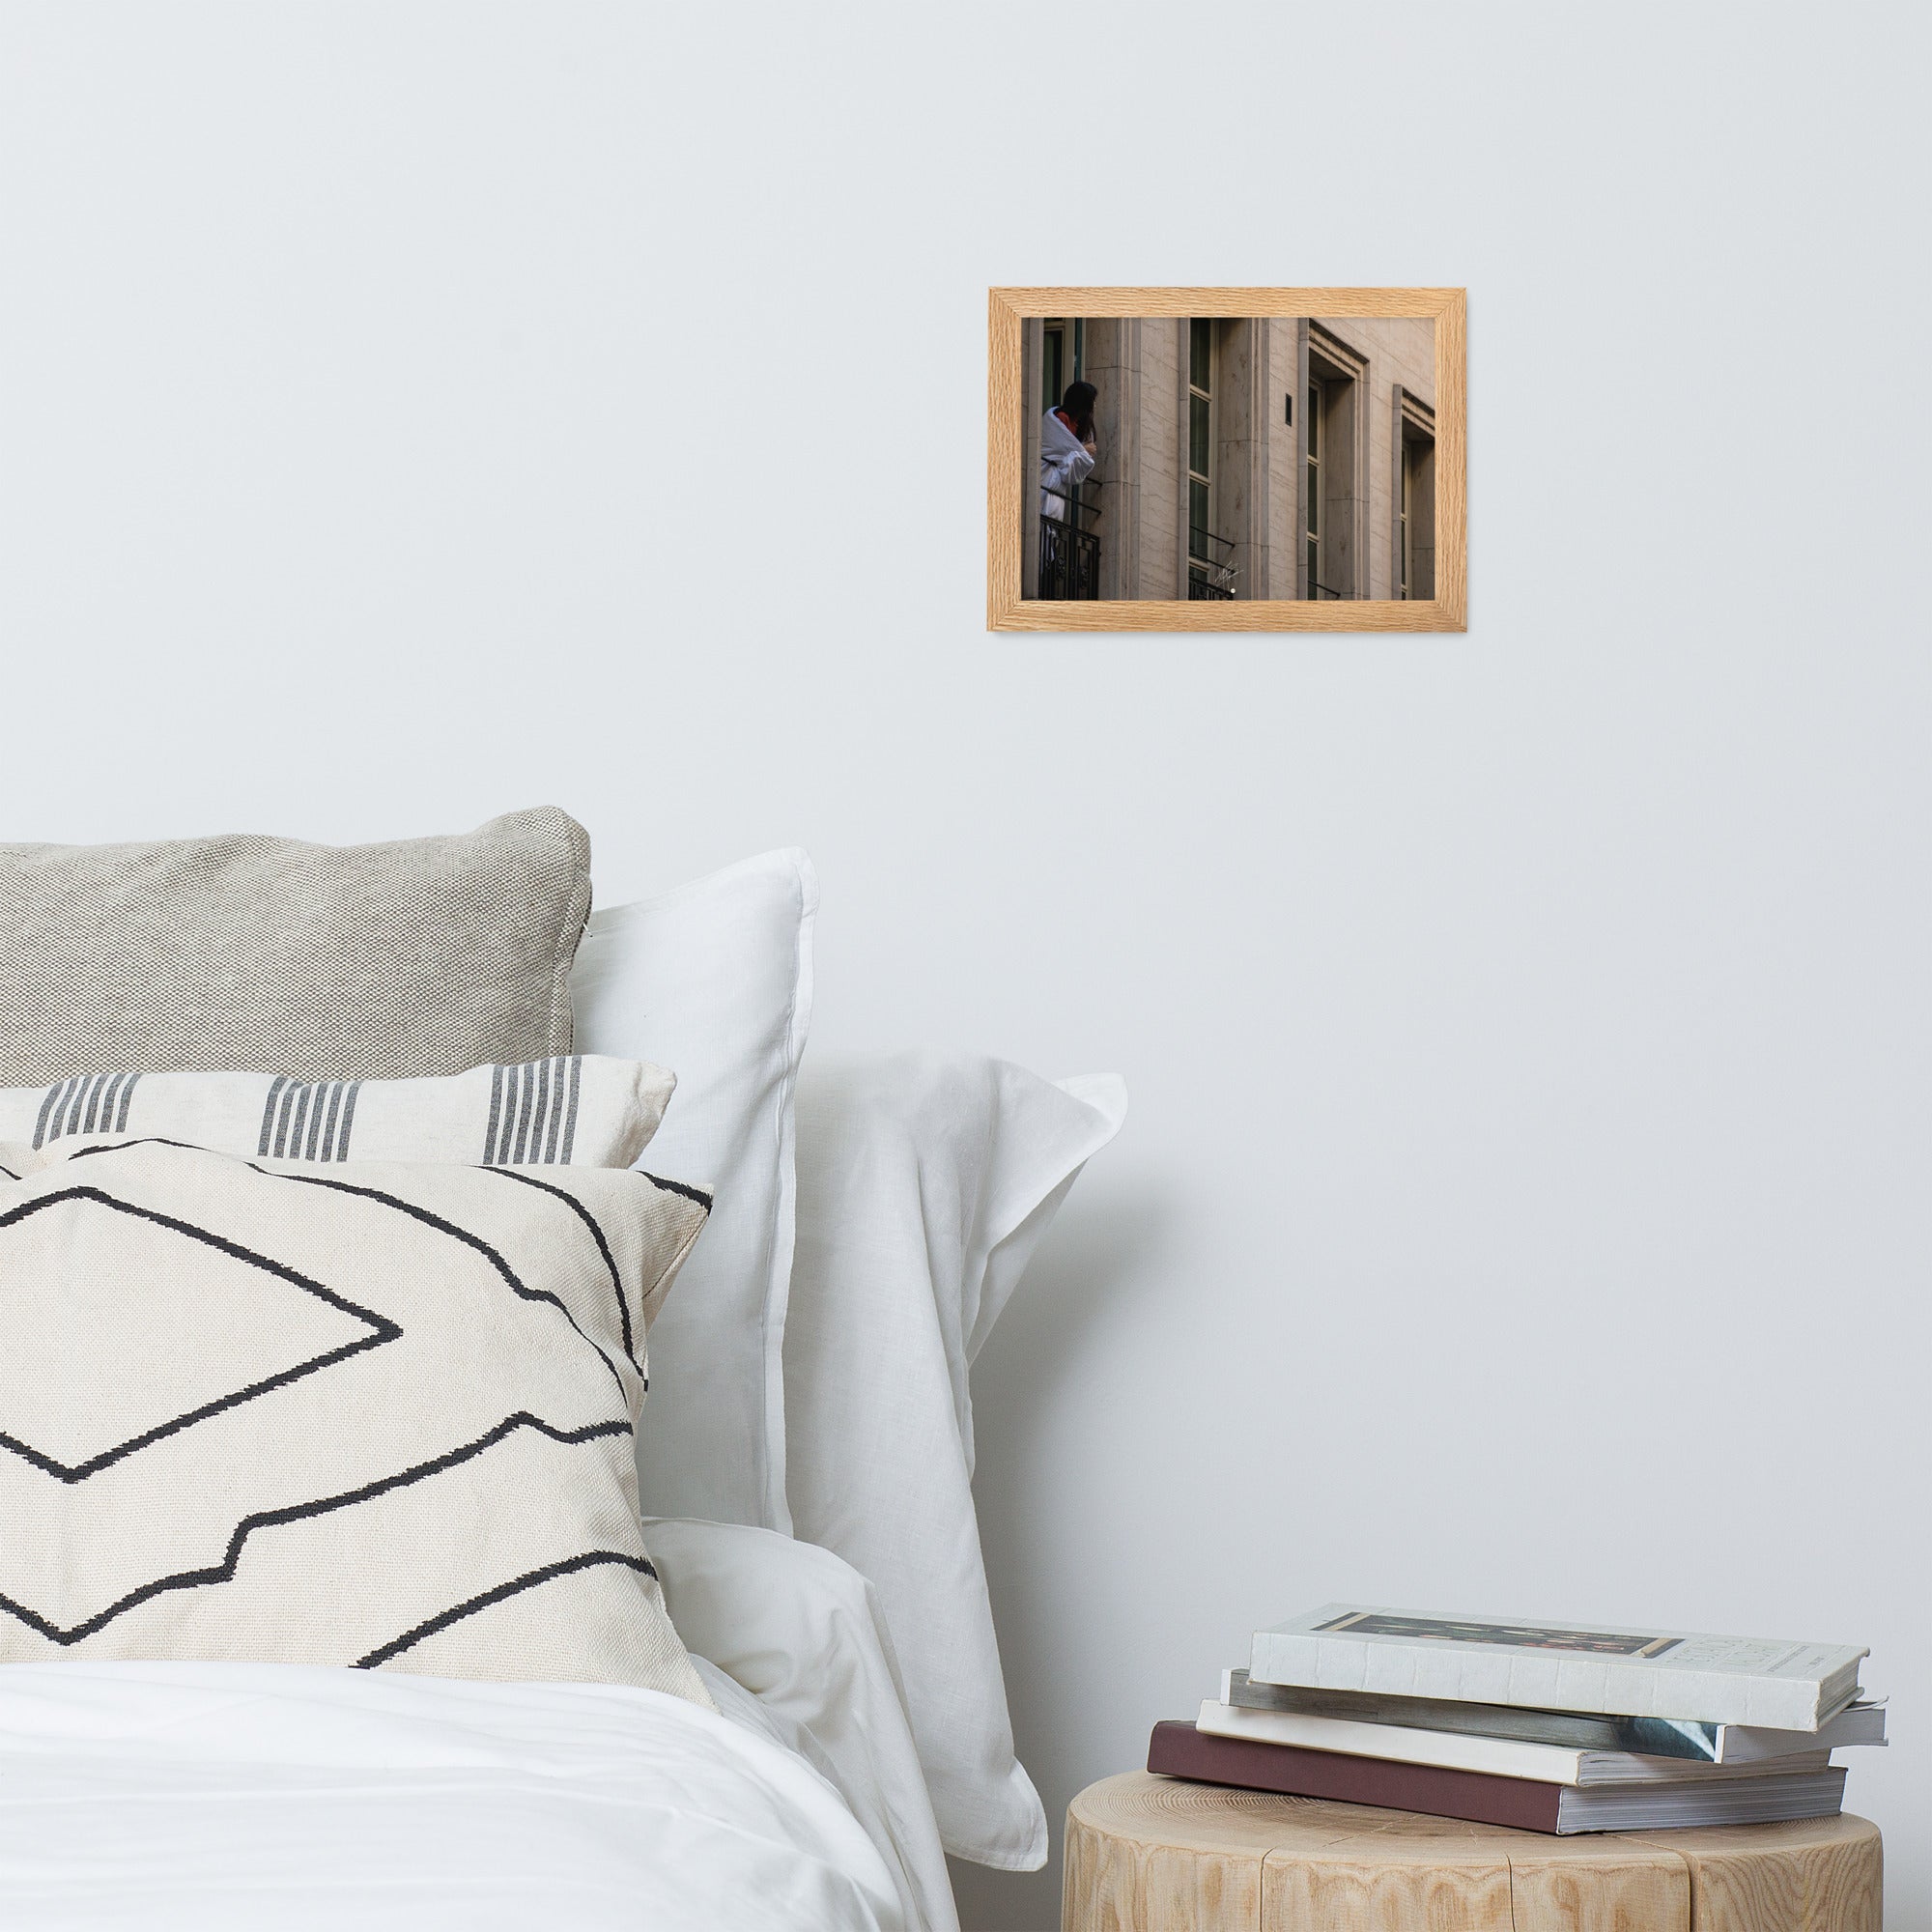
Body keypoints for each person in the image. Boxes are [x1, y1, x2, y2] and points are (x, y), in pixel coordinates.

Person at [1039, 380, 1097, 521]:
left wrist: (1080, 451)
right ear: (1083, 401)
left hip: (1058, 482)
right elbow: (1059, 448)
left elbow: (1069, 451)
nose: (1094, 405)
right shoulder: (1062, 417)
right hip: (1047, 474)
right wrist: (1083, 450)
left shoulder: (1078, 424)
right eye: (1092, 400)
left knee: (1052, 518)